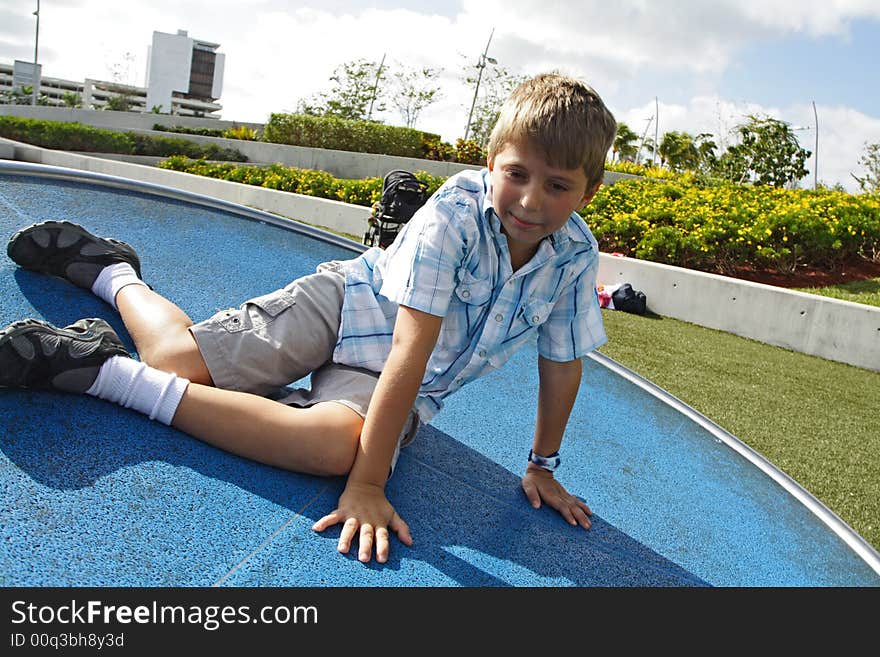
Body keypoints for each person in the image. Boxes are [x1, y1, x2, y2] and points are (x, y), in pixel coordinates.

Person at [0, 73, 617, 564]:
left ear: (587, 193)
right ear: (491, 163)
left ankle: (99, 368)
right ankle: (113, 273)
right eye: (517, 175)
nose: (532, 200)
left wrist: (542, 466)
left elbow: (562, 365)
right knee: (174, 362)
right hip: (349, 306)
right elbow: (410, 346)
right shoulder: (455, 214)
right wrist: (369, 488)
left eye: (558, 186)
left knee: (334, 448)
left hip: (387, 378)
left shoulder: (573, 257)